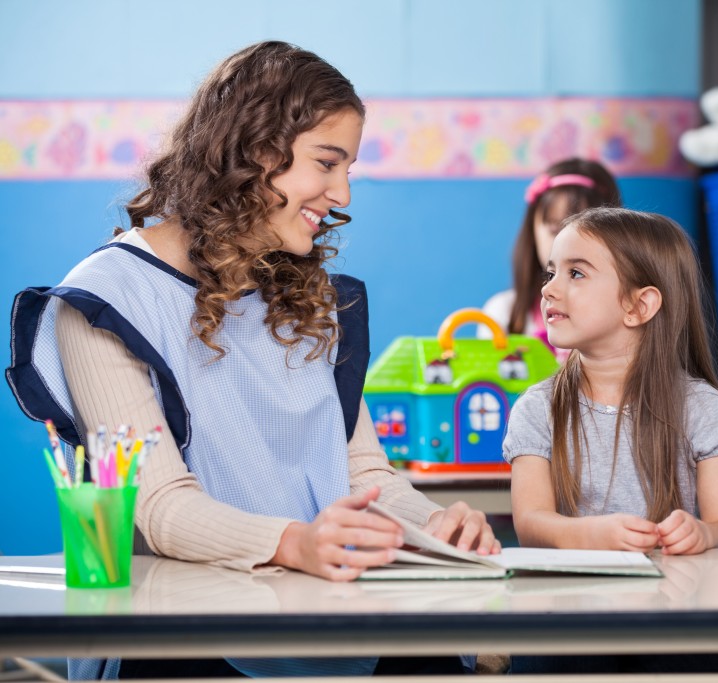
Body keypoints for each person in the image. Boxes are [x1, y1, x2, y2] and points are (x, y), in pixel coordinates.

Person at [6, 41, 497, 679]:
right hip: (190, 632)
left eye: (348, 167)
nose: (343, 191)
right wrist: (297, 542)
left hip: (324, 605)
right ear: (259, 150)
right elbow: (159, 508)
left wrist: (439, 526)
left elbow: (359, 474)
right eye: (328, 162)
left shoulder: (309, 295)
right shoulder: (109, 298)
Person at [501, 207, 718, 674]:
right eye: (551, 272)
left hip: (682, 626)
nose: (548, 288)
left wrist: (702, 532)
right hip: (567, 629)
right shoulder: (536, 408)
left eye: (576, 273)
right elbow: (530, 522)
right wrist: (590, 535)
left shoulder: (702, 408)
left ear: (639, 306)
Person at [479, 158, 621, 360]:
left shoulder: (621, 314)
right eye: (555, 229)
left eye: (584, 232)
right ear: (532, 233)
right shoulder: (502, 314)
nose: (566, 244)